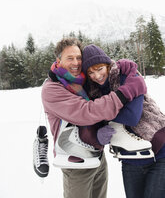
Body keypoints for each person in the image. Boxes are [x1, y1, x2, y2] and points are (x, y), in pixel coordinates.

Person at [41, 38, 146, 198]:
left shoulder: (83, 81)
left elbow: (102, 70)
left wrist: (122, 67)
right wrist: (124, 94)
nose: (76, 62)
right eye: (70, 58)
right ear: (59, 60)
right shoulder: (53, 89)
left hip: (97, 156)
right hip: (75, 162)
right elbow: (86, 112)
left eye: (78, 58)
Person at [82, 44, 165, 198]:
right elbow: (92, 122)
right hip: (130, 159)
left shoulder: (127, 76)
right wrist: (99, 131)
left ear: (107, 65)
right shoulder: (93, 93)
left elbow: (132, 116)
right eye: (91, 72)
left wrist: (98, 112)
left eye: (99, 69)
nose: (97, 76)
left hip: (160, 151)